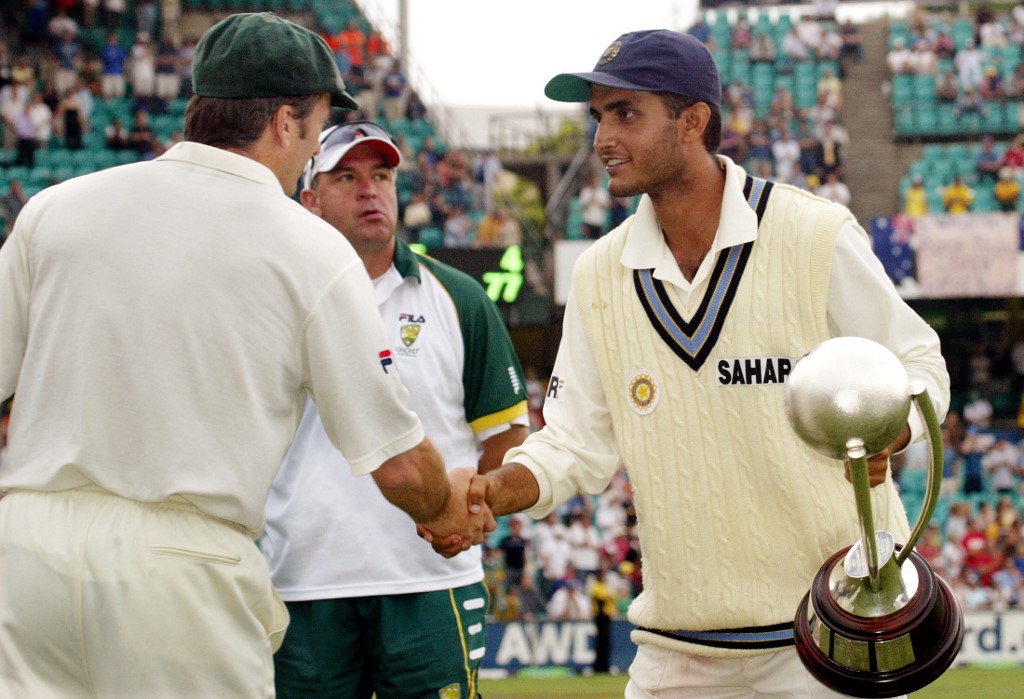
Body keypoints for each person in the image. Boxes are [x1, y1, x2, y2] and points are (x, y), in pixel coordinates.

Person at [433, 30, 950, 698]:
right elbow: (573, 444)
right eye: (598, 117)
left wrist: (894, 428)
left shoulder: (812, 234)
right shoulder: (599, 273)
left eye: (626, 113)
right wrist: (490, 492)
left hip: (835, 634)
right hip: (678, 652)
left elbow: (918, 359)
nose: (603, 139)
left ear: (693, 121)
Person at [0, 13, 489, 697]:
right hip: (180, 563)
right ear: (285, 123)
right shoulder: (310, 246)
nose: (311, 148)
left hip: (26, 551)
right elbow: (399, 463)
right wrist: (443, 508)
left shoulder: (55, 208)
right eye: (317, 128)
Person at [262, 118, 529, 698]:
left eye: (381, 176)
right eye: (347, 177)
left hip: (430, 581)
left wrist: (473, 507)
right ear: (310, 201)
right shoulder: (269, 302)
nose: (369, 190)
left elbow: (507, 435)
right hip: (301, 583)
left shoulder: (459, 297)